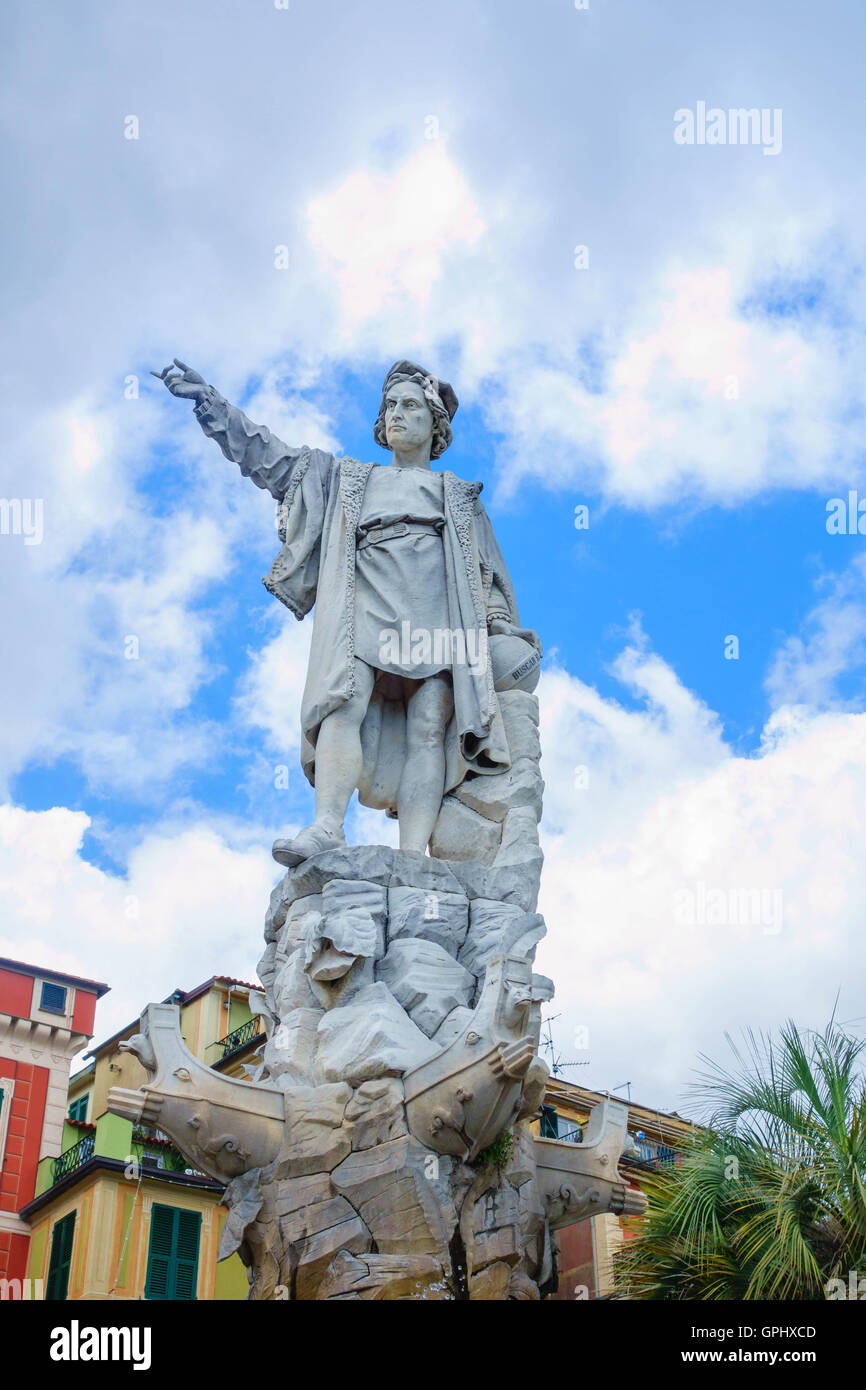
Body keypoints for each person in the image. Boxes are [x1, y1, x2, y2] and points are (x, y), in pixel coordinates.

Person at [154, 357, 540, 865]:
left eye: (409, 405)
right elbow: (269, 459)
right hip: (364, 605)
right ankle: (326, 826)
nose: (396, 415)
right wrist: (212, 406)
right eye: (390, 407)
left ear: (435, 423)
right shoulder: (346, 479)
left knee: (429, 726)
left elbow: (484, 573)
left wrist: (499, 628)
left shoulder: (459, 498)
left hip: (439, 616)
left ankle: (412, 856)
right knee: (343, 703)